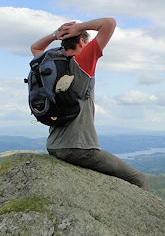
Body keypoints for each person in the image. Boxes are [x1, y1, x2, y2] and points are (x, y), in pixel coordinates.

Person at [30, 17, 147, 189]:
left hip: (54, 145)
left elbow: (35, 47)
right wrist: (79, 27)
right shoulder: (81, 63)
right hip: (80, 148)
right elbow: (109, 23)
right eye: (87, 41)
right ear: (81, 41)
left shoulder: (49, 65)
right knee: (139, 179)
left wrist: (56, 35)